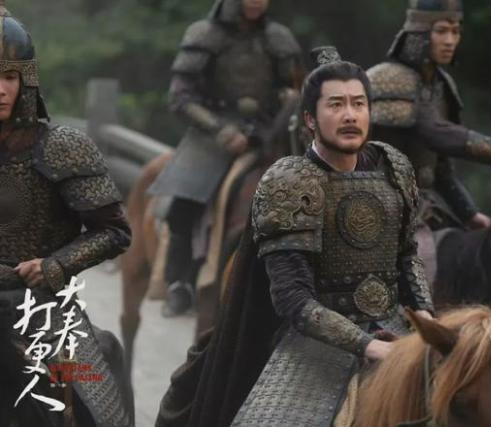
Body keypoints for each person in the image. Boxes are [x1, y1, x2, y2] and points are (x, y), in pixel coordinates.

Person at [156, 47, 433, 427]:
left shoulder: (394, 167)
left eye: (358, 104)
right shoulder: (289, 181)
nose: (350, 115)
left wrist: (427, 318)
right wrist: (368, 346)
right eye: (336, 104)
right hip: (310, 341)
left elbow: (407, 255)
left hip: (394, 329)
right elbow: (293, 300)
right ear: (310, 119)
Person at [0, 3, 132, 426]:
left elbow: (114, 232)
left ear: (26, 80)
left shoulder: (61, 147)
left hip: (40, 309)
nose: (0, 89)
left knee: (92, 405)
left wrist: (55, 265)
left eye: (9, 76)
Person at [149, 0, 303, 317]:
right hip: (212, 134)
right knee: (185, 202)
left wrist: (286, 102)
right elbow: (181, 97)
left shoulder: (279, 38)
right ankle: (180, 282)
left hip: (266, 132)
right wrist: (220, 129)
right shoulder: (204, 34)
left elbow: (292, 89)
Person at [367, 0, 491, 231]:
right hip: (375, 207)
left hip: (420, 208)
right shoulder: (388, 80)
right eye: (441, 31)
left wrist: (469, 213)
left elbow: (440, 167)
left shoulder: (441, 85)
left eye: (455, 32)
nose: (450, 40)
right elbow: (437, 135)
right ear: (419, 33)